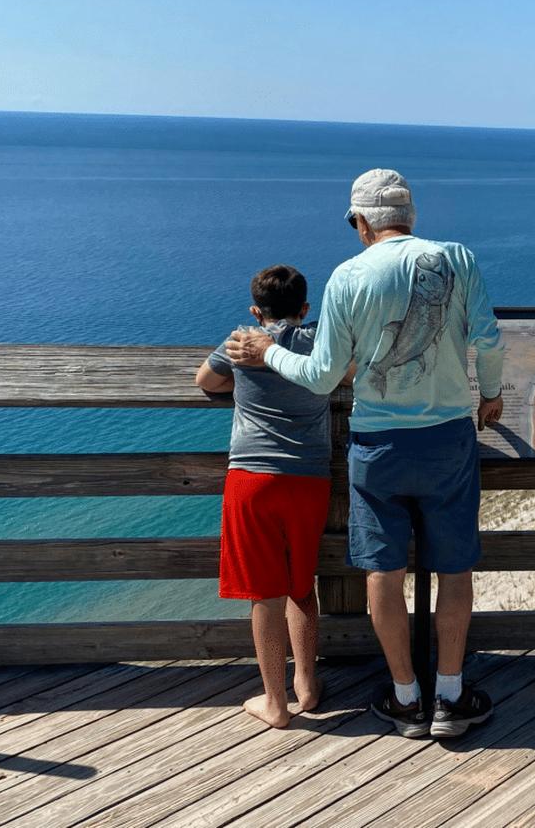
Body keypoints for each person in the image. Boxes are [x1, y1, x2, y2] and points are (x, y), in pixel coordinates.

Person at [226, 168, 504, 739]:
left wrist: (267, 350)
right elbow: (489, 340)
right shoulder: (459, 257)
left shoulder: (348, 276)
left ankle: (405, 697)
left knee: (384, 568)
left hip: (378, 443)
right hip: (449, 433)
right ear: (411, 216)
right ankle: (450, 695)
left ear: (361, 223)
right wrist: (492, 395)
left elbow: (323, 376)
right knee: (454, 567)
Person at [195, 264, 332, 729]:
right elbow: (343, 373)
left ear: (257, 310)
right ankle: (308, 686)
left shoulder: (239, 342)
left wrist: (244, 383)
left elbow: (205, 381)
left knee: (264, 595)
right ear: (305, 308)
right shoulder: (318, 343)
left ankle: (274, 702)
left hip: (252, 478)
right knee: (302, 585)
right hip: (310, 478)